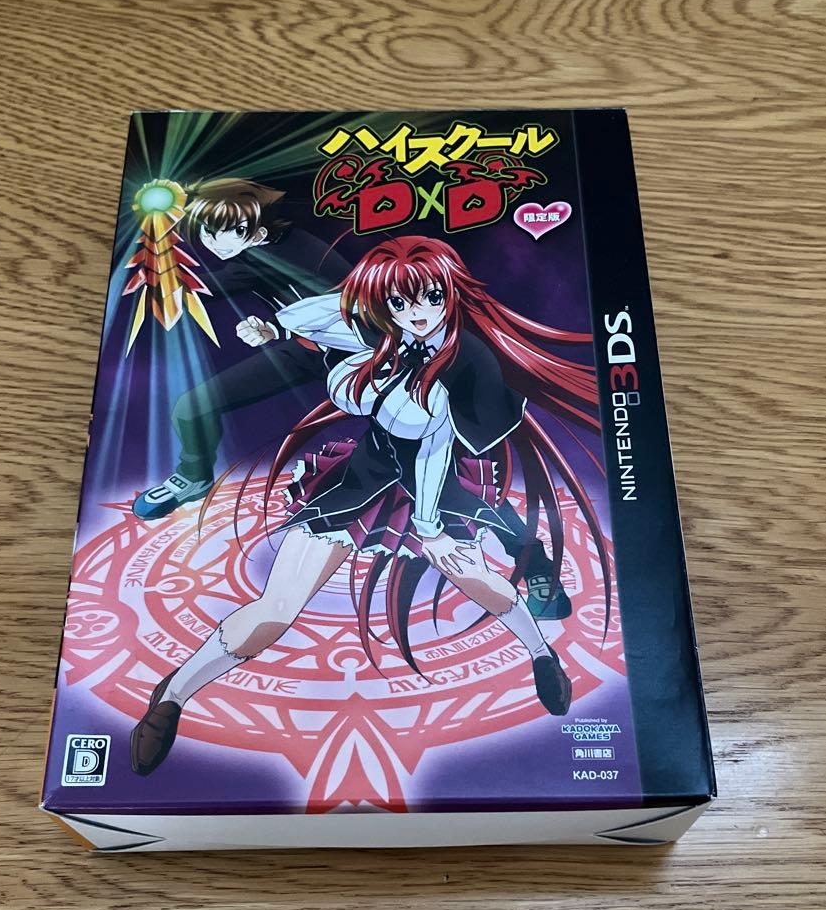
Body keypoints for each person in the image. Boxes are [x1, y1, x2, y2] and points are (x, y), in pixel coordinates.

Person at [130, 236, 608, 775]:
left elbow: (434, 450)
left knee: (477, 578)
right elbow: (329, 314)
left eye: (430, 298)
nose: (417, 313)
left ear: (449, 292)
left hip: (434, 481)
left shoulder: (466, 362)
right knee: (278, 607)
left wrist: (430, 527)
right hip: (367, 471)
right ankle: (173, 696)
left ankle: (542, 654)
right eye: (401, 303)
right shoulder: (382, 330)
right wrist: (279, 330)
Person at [131, 178, 573, 618]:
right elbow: (229, 290)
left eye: (226, 230)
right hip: (312, 350)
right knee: (192, 407)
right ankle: (193, 476)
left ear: (258, 228)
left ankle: (535, 563)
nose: (213, 242)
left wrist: (278, 327)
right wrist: (276, 330)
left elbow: (352, 310)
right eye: (207, 232)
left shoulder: (297, 250)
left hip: (379, 357)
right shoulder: (254, 255)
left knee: (442, 476)